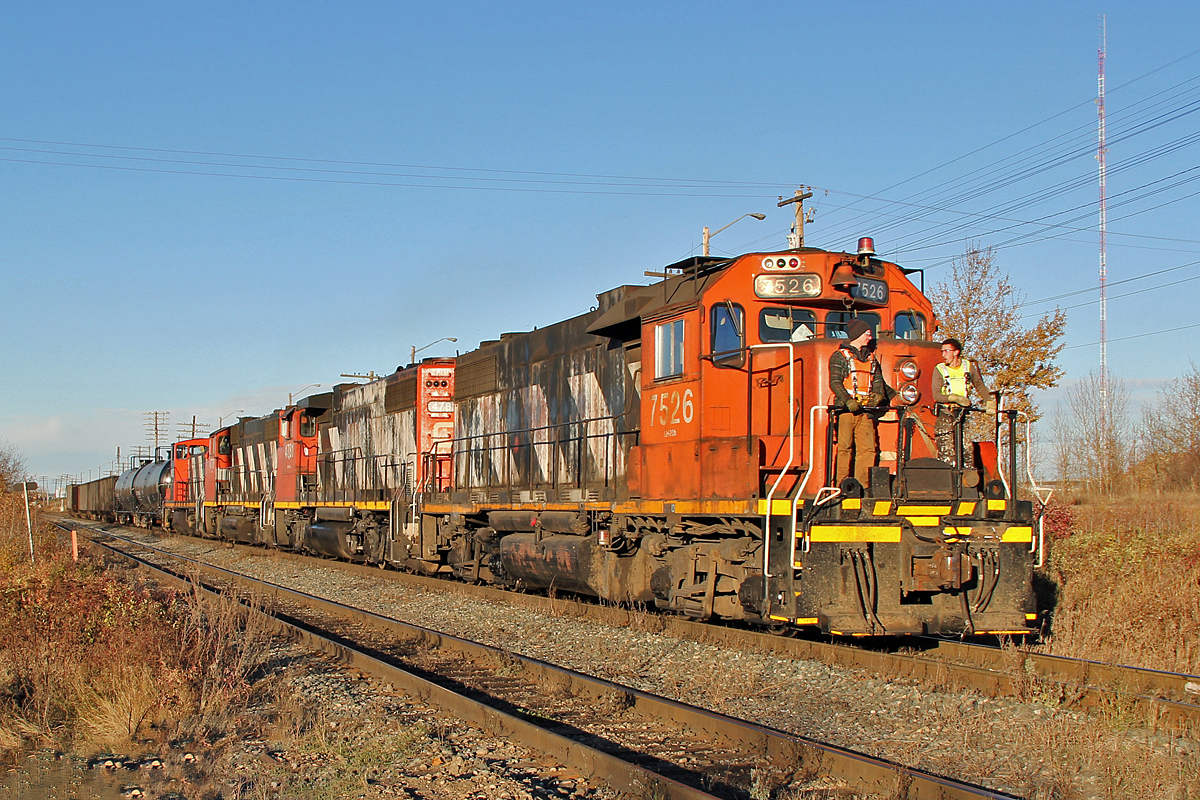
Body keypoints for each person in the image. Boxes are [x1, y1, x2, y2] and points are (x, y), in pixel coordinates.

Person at [829, 319, 896, 488]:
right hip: (846, 410)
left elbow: (878, 381)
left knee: (868, 449)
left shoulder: (871, 358)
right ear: (858, 335)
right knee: (845, 447)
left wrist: (878, 396)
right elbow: (835, 382)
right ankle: (842, 486)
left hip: (866, 410)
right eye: (867, 333)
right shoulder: (839, 356)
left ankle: (862, 486)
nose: (870, 337)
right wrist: (848, 401)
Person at [932, 338, 996, 466]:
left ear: (956, 352)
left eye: (946, 351)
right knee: (947, 452)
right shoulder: (939, 369)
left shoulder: (968, 366)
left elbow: (979, 385)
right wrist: (954, 398)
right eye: (942, 351)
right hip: (946, 414)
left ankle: (967, 479)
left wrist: (989, 401)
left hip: (963, 414)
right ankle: (948, 479)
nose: (943, 355)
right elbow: (937, 395)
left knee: (967, 449)